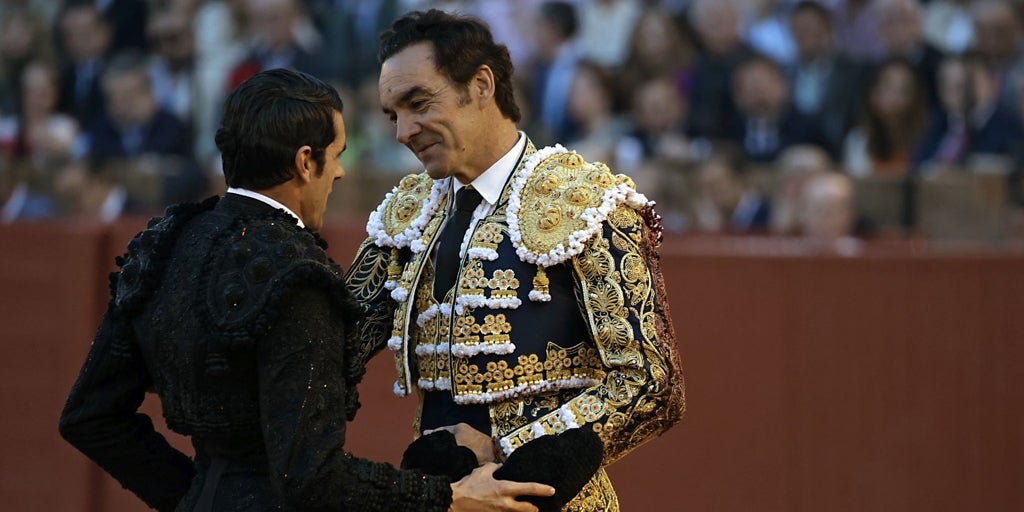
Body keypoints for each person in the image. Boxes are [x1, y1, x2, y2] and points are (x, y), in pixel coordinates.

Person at [59, 68, 554, 512]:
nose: (339, 172)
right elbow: (311, 481)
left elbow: (89, 417)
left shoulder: (162, 247)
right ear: (304, 161)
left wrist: (193, 496)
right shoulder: (297, 276)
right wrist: (445, 498)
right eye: (336, 156)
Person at [346, 10, 686, 511]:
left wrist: (506, 449)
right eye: (392, 114)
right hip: (444, 498)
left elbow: (652, 385)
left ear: (481, 84)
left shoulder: (585, 202)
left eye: (418, 103)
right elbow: (331, 347)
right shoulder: (406, 215)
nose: (403, 130)